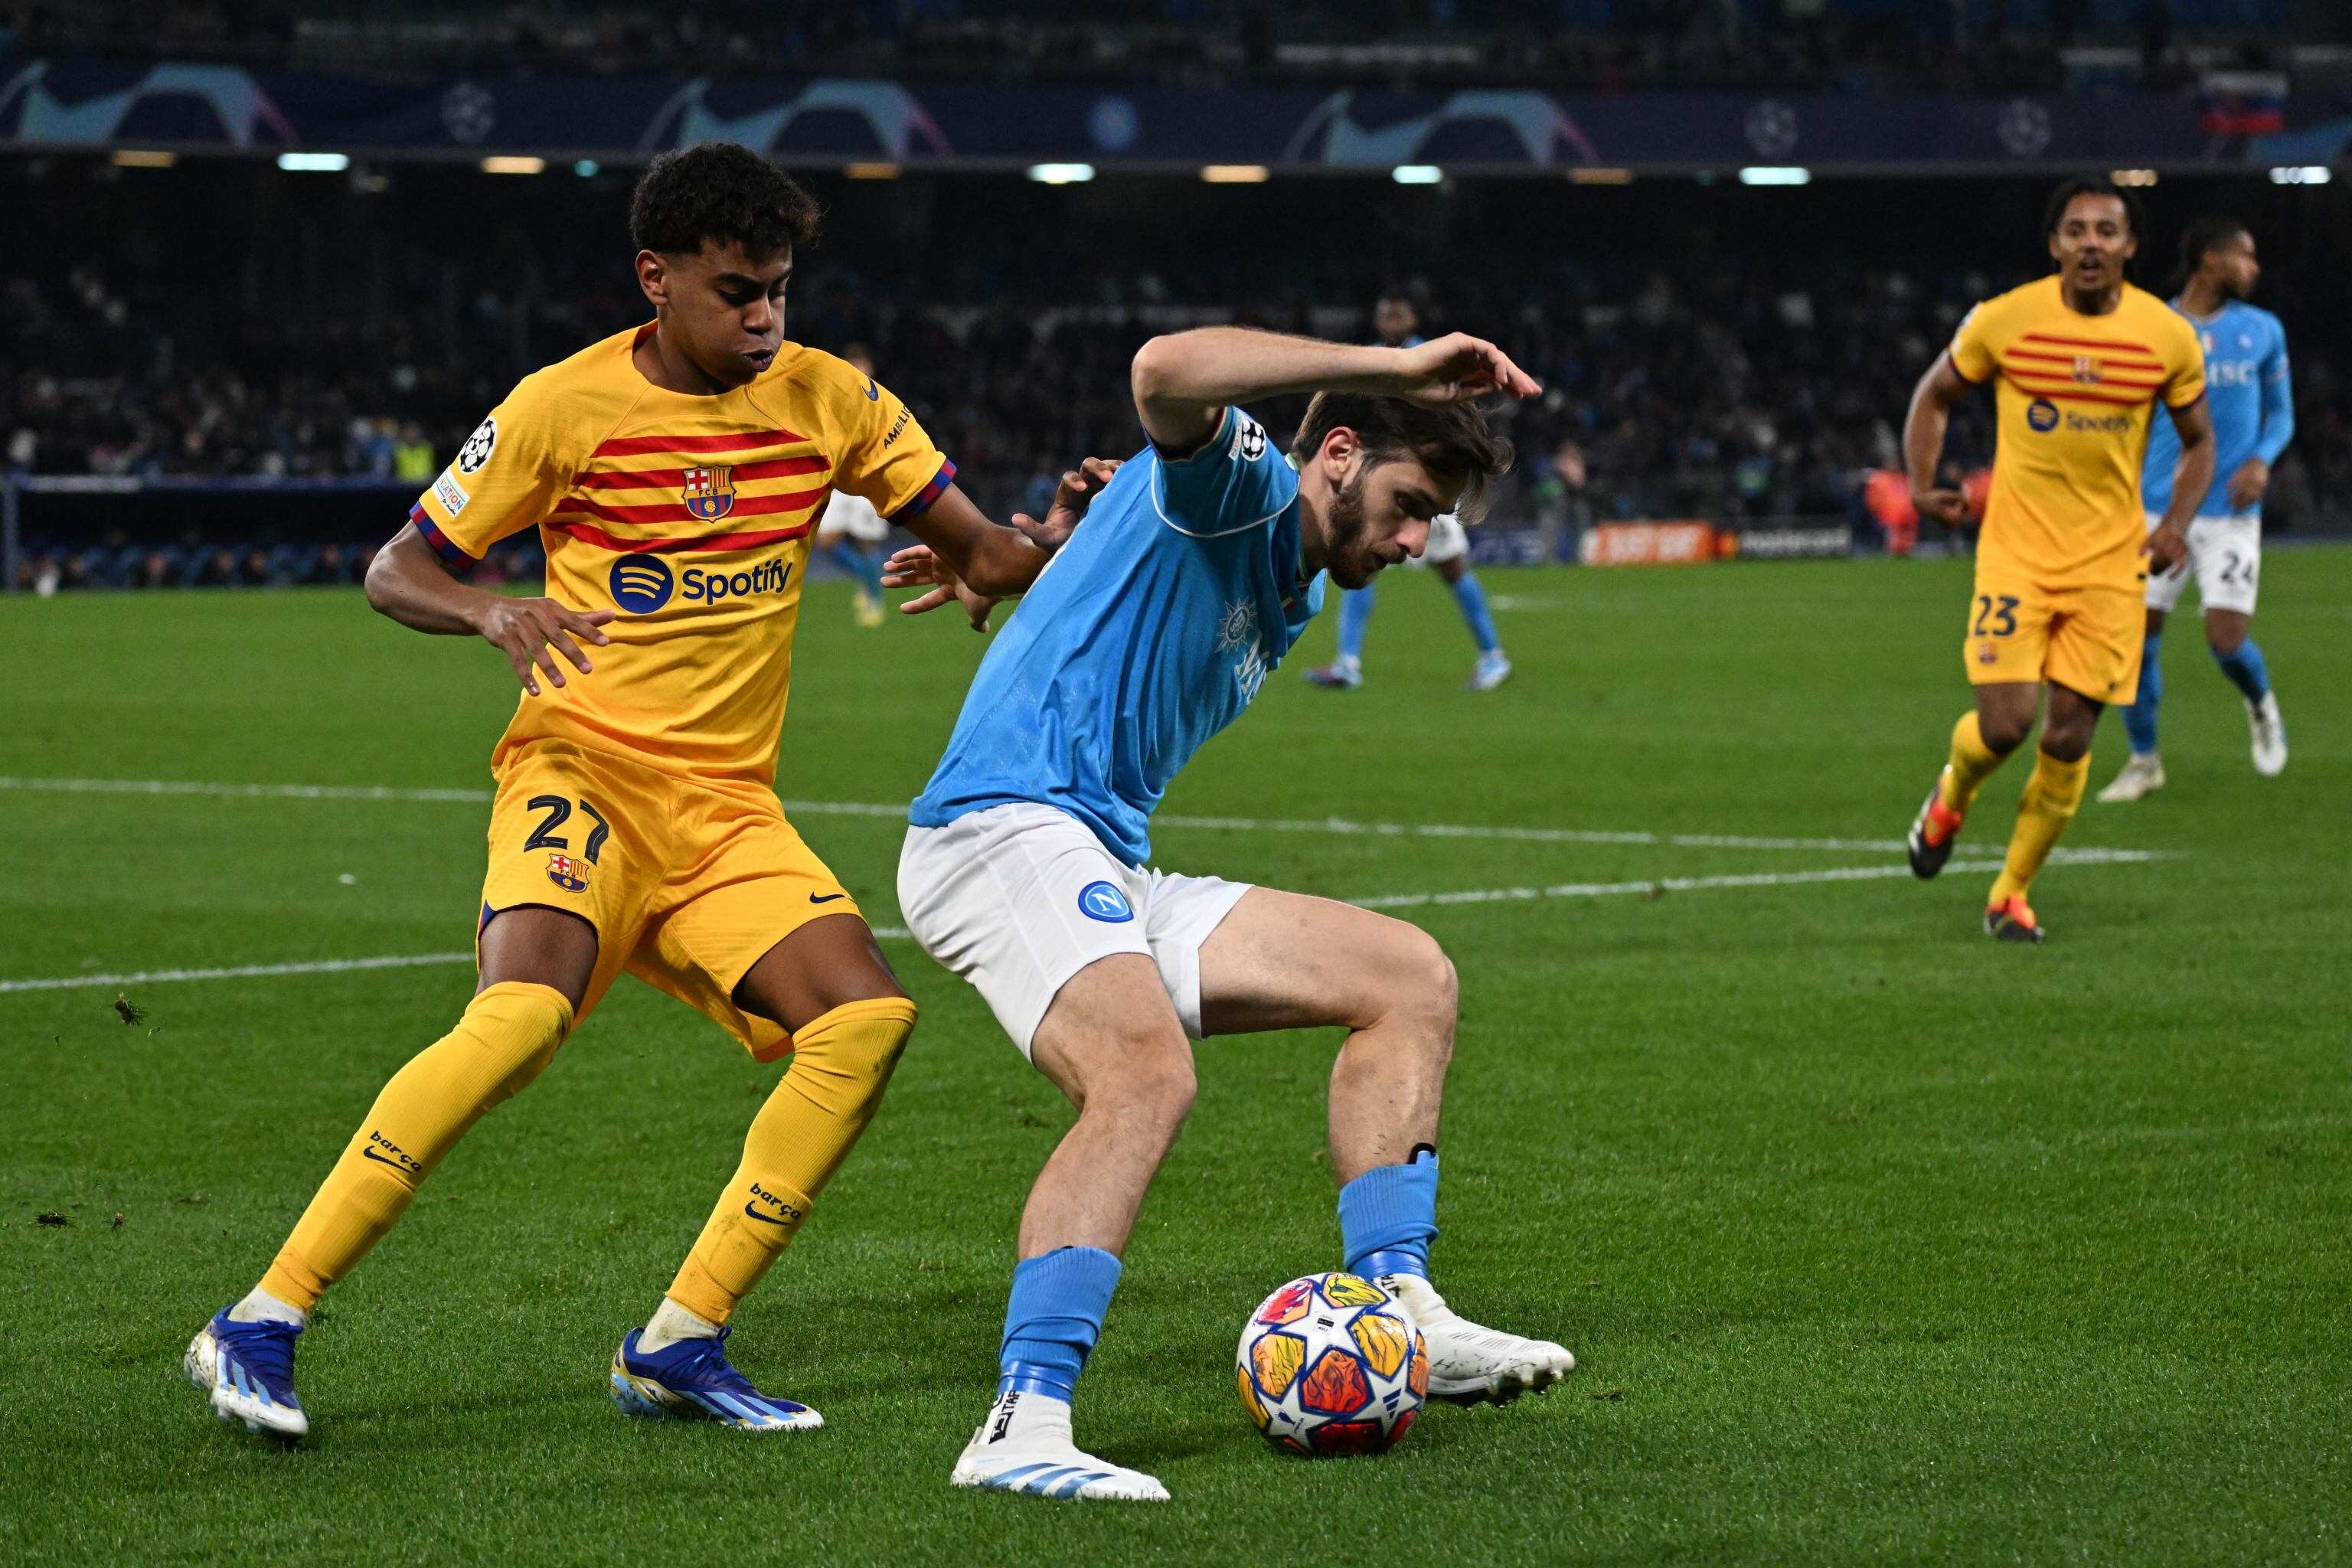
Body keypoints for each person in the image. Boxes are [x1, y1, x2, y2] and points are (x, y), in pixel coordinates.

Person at [184, 142, 1101, 1442]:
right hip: (583, 774)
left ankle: (680, 1338)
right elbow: (399, 568)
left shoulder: (832, 399)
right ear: (655, 279)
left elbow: (986, 555)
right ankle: (262, 1315)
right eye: (738, 290)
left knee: (863, 1021)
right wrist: (492, 610)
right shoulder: (562, 407)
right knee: (517, 1022)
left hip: (725, 811)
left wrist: (1057, 534)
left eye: (779, 287)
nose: (766, 315)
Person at [889, 325, 1575, 1503]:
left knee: (1406, 976)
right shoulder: (1248, 479)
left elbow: (1129, 567)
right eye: (1412, 504)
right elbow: (1161, 371)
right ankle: (1021, 1422)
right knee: (1143, 1075)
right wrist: (1407, 361)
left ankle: (1402, 1307)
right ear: (1340, 453)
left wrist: (1048, 549)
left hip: (1096, 857)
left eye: (1435, 523)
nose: (1418, 541)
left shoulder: (1297, 575)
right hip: (997, 830)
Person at [1902, 176, 2214, 942]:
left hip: (2111, 564)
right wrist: (1918, 483)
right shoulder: (2007, 320)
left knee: (2070, 736)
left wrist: (2176, 521)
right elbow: (1934, 394)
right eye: (2076, 230)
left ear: (2129, 246)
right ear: (2055, 246)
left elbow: (2201, 440)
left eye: (2107, 231)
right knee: (2006, 724)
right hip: (2016, 555)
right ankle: (1952, 793)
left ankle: (2011, 890)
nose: (2091, 244)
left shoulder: (2167, 335)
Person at [2099, 218, 2293, 801]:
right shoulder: (2152, 326)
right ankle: (2143, 761)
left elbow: (2281, 413)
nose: (2254, 269)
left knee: (2226, 639)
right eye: (2245, 257)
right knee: (2137, 640)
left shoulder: (2263, 331)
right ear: (2211, 261)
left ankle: (2261, 704)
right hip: (2156, 510)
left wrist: (2261, 459)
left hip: (2229, 513)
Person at [1302, 296, 1511, 692]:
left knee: (1453, 569)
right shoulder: (1374, 358)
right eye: (1384, 313)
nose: (1390, 320)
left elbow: (1456, 423)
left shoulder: (1431, 357)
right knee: (1357, 559)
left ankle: (1493, 657)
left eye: (1398, 313)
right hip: (1383, 483)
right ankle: (1347, 663)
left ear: (1413, 317)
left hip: (1425, 491)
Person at [812, 342, 895, 628]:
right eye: (853, 365)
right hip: (838, 483)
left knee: (866, 544)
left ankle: (874, 601)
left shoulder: (881, 401)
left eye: (863, 364)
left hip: (868, 479)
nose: (859, 370)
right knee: (826, 542)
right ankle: (866, 581)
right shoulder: (834, 400)